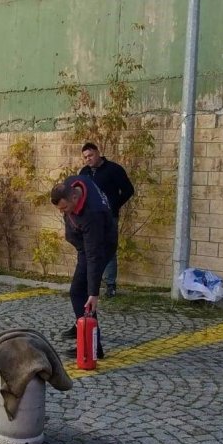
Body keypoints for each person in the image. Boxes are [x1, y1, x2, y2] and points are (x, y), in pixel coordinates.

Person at [50, 175, 118, 358]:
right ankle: (80, 324)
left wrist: (94, 293)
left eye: (64, 208)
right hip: (85, 244)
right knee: (77, 293)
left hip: (100, 247)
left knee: (80, 292)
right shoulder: (75, 181)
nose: (62, 212)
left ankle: (92, 347)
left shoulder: (92, 214)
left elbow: (94, 256)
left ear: (74, 198)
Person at [79, 142, 135, 298]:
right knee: (89, 250)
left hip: (109, 217)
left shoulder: (114, 169)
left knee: (108, 249)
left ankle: (110, 285)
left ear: (98, 153)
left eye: (90, 155)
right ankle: (90, 284)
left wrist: (114, 205)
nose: (88, 159)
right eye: (85, 157)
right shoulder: (84, 172)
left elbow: (128, 190)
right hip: (89, 219)